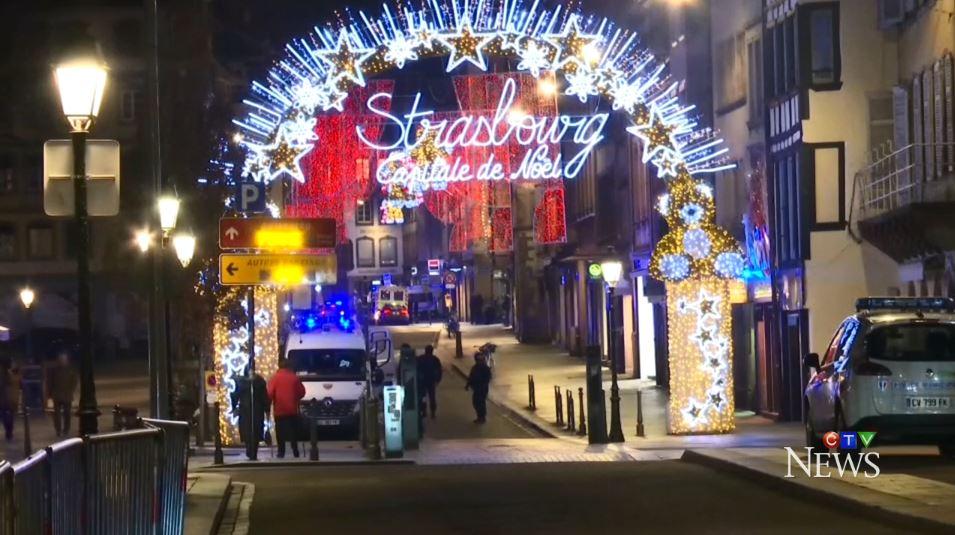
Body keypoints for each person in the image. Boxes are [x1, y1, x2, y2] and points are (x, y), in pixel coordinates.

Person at [267, 358, 305, 458]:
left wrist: (268, 404)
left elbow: (270, 394)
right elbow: (302, 392)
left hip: (279, 410)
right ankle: (295, 450)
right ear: (289, 366)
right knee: (293, 431)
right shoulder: (294, 378)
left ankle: (281, 451)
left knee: (280, 432)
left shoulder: (275, 378)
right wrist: (295, 398)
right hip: (292, 409)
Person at [232, 368, 269, 461]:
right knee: (255, 430)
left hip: (245, 410)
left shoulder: (241, 383)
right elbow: (265, 397)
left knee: (247, 430)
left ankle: (249, 450)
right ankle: (253, 451)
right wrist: (266, 408)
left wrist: (234, 406)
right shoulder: (260, 382)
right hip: (257, 410)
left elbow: (236, 395)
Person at [46, 351, 77, 437]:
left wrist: (71, 390)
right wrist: (50, 394)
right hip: (57, 395)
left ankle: (66, 429)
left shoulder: (70, 370)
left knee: (67, 414)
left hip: (67, 395)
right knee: (57, 415)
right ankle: (58, 430)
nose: (62, 361)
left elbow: (74, 381)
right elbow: (50, 382)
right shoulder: (54, 370)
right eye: (61, 359)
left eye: (64, 359)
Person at [416, 345, 442, 419]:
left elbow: (417, 369)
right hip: (431, 381)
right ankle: (433, 412)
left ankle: (423, 410)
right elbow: (439, 370)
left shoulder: (420, 358)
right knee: (432, 397)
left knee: (423, 396)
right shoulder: (435, 359)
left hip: (422, 381)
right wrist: (438, 380)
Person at [465, 353, 492, 424]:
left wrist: (482, 386)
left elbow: (488, 379)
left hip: (482, 389)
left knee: (481, 403)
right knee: (475, 403)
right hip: (476, 388)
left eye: (481, 360)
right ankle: (479, 416)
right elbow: (471, 377)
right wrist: (468, 385)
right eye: (478, 360)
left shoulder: (485, 368)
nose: (479, 361)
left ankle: (482, 417)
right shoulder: (475, 367)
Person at [0, 359, 14, 441]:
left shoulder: (5, 374)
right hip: (8, 398)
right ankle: (9, 432)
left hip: (4, 399)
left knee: (5, 416)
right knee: (8, 416)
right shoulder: (9, 373)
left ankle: (9, 432)